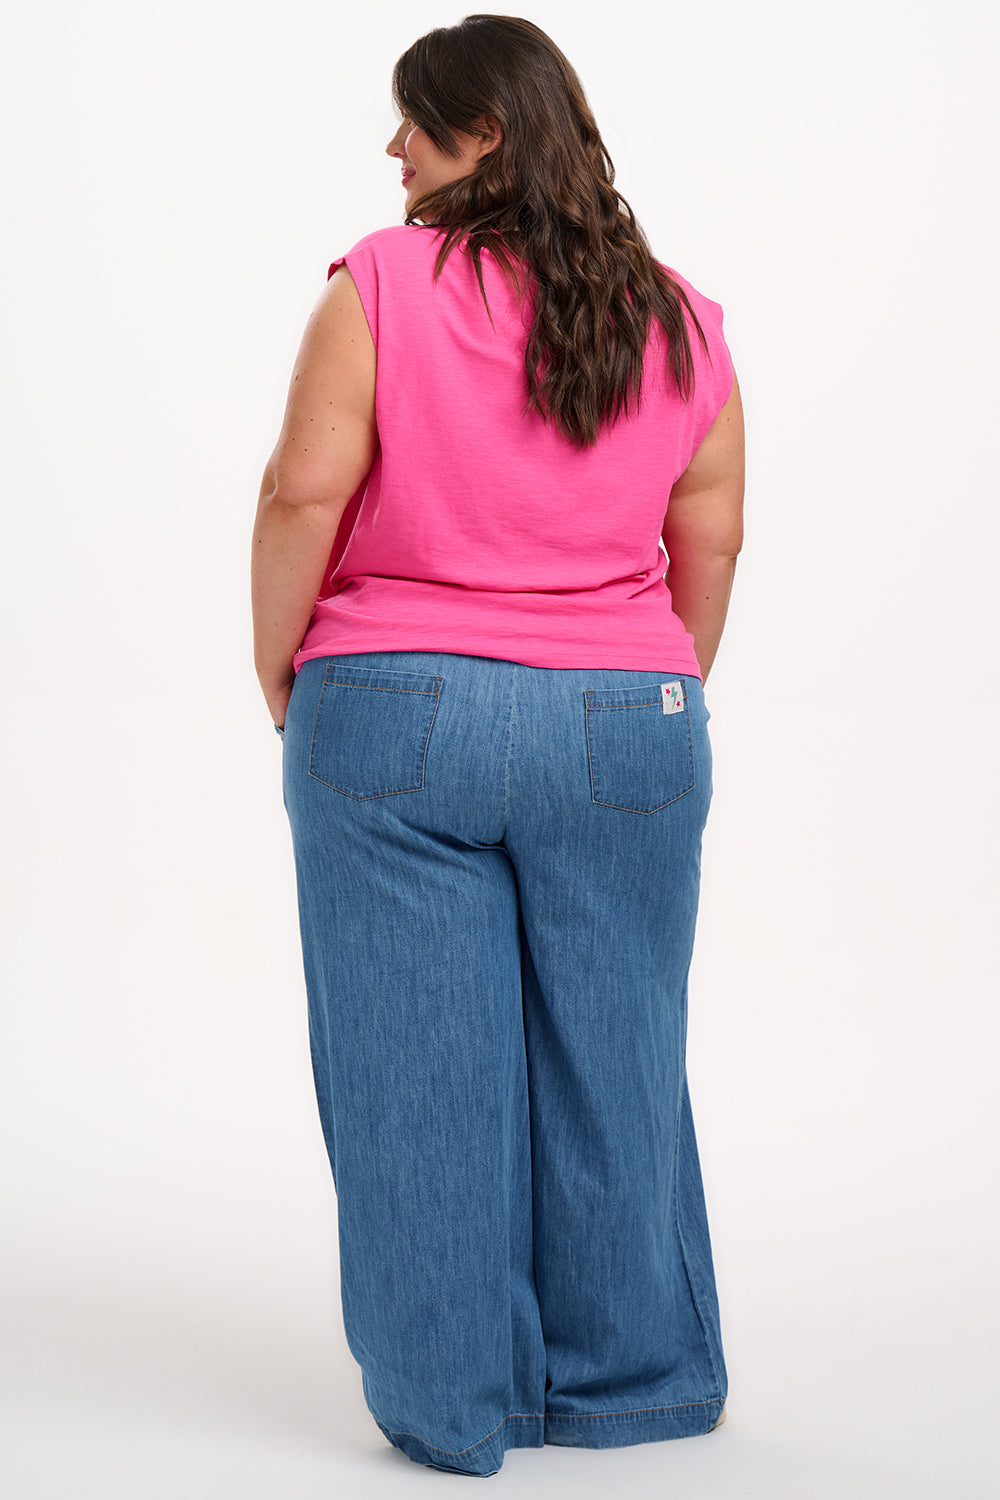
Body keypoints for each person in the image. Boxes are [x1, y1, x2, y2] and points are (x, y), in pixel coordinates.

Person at [251, 13, 744, 1479]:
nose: (392, 148)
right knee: (619, 1055)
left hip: (392, 711)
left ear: (486, 135)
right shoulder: (682, 317)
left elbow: (299, 495)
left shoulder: (383, 283)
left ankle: (452, 1401)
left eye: (415, 121)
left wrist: (282, 668)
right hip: (626, 723)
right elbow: (707, 532)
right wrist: (650, 688)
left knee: (416, 1068)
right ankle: (625, 1382)